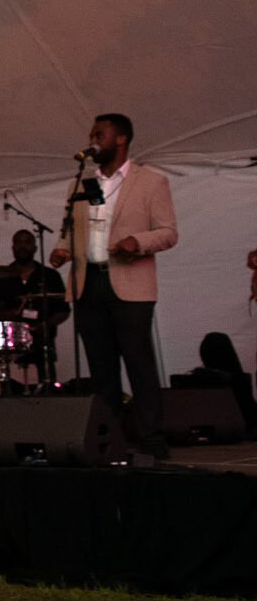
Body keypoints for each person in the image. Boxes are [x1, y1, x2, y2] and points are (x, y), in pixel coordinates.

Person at [50, 113, 179, 457]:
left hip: (130, 284)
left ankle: (152, 440)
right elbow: (68, 228)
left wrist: (137, 241)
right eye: (91, 133)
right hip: (88, 283)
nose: (93, 140)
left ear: (121, 139)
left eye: (99, 134)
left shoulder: (150, 182)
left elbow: (168, 232)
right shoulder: (81, 184)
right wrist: (63, 249)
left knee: (138, 363)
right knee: (102, 369)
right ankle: (111, 440)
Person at [0, 229, 69, 384]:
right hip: (7, 336)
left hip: (40, 336)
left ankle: (49, 394)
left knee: (44, 354)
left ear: (35, 248)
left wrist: (47, 324)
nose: (22, 246)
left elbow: (64, 310)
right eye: (18, 243)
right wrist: (10, 316)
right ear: (12, 248)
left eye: (27, 242)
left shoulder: (49, 276)